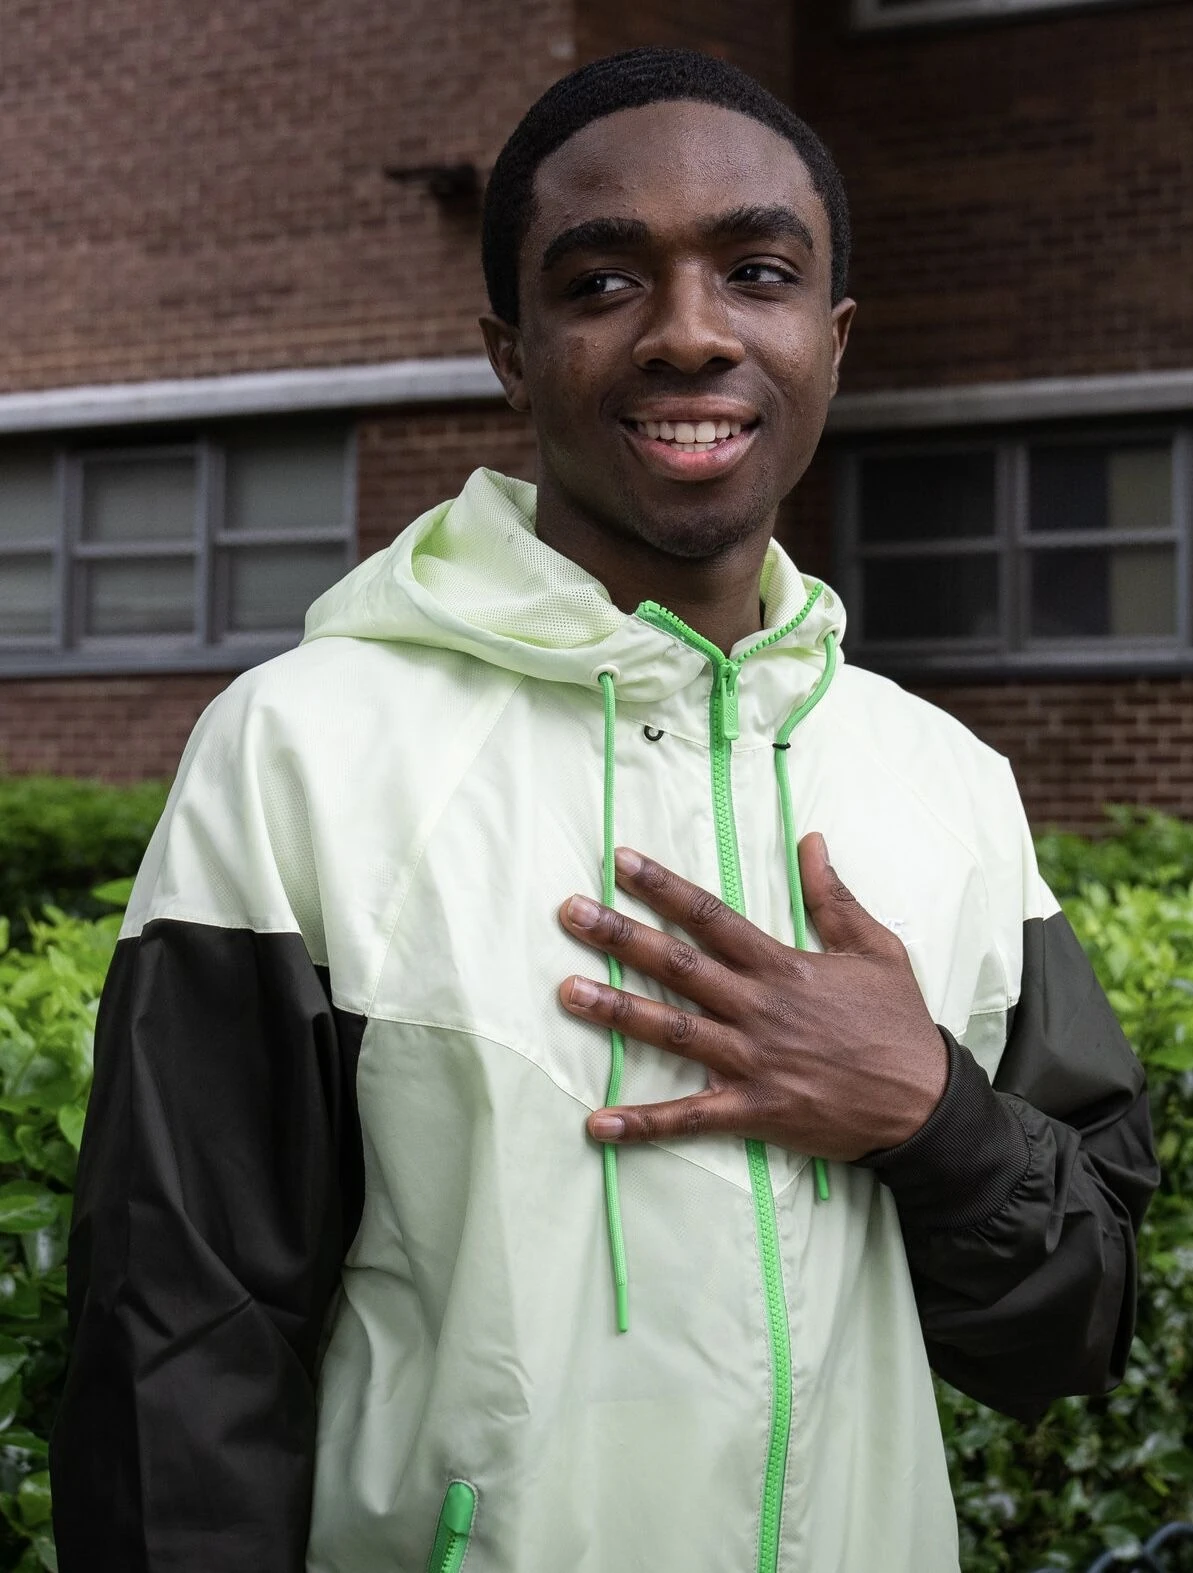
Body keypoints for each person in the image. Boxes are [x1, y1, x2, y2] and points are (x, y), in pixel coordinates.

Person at [50, 46, 1158, 1573]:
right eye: (603, 284)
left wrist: (933, 1117)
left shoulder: (952, 787)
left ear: (833, 340)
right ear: (511, 352)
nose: (690, 332)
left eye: (757, 273)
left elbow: (1077, 1326)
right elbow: (175, 1374)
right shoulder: (301, 752)